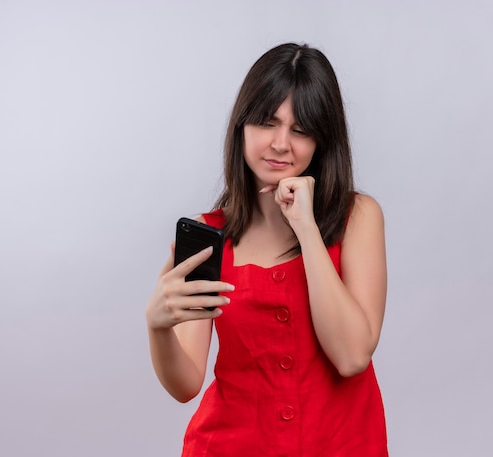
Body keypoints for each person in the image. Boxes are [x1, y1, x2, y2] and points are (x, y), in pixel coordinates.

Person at [146, 43, 388, 456]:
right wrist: (158, 326)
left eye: (300, 129)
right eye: (266, 122)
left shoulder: (357, 216)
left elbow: (351, 356)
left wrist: (306, 228)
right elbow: (186, 385)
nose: (279, 144)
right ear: (242, 127)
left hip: (342, 444)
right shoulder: (211, 234)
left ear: (322, 141)